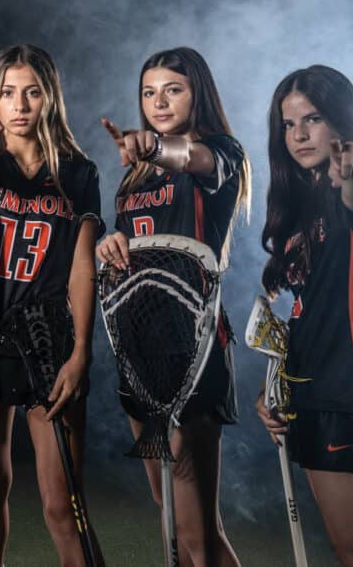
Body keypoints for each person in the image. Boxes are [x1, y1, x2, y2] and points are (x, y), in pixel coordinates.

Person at [0, 44, 105, 566]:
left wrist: (81, 351)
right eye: (8, 93)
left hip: (48, 347)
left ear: (50, 98)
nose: (19, 105)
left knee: (63, 504)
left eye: (32, 92)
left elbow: (83, 265)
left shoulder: (78, 173)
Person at [96, 46, 248, 566]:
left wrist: (156, 146)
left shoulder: (219, 153)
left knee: (197, 530)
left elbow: (190, 157)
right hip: (140, 347)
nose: (158, 102)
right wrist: (110, 246)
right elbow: (128, 251)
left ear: (197, 93)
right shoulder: (135, 176)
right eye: (149, 92)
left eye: (173, 90)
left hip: (194, 346)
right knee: (173, 520)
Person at [256, 65, 353, 566]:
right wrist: (278, 386)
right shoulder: (306, 203)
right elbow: (311, 314)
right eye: (288, 124)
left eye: (313, 119)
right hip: (315, 397)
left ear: (341, 119)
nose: (298, 135)